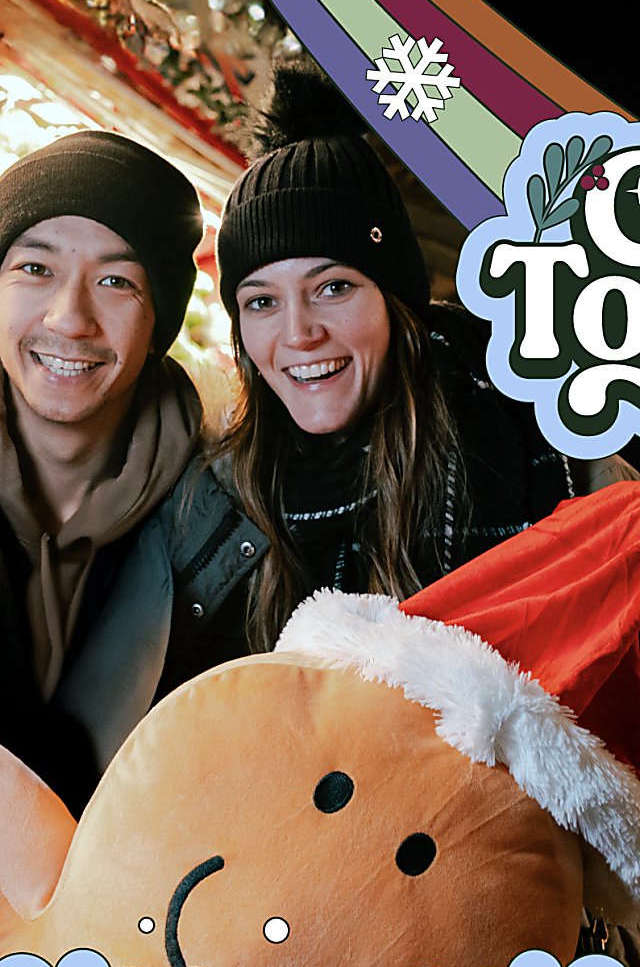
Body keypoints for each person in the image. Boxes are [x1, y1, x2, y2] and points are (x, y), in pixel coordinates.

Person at [209, 58, 637, 655]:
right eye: (260, 302)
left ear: (395, 297)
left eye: (333, 287)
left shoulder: (544, 430)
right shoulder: (229, 489)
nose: (299, 333)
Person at [0, 131, 267, 816]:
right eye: (35, 269)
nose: (70, 318)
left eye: (117, 281)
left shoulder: (234, 523)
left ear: (160, 320)